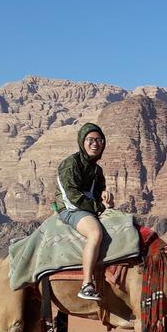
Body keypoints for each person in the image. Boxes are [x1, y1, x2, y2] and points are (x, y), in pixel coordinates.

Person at [53, 121, 114, 301]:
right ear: (82, 141)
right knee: (95, 233)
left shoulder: (97, 170)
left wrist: (104, 196)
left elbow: (97, 192)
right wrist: (99, 207)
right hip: (70, 209)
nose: (95, 143)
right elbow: (72, 196)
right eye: (90, 139)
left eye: (99, 140)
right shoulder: (71, 164)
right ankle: (87, 284)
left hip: (88, 208)